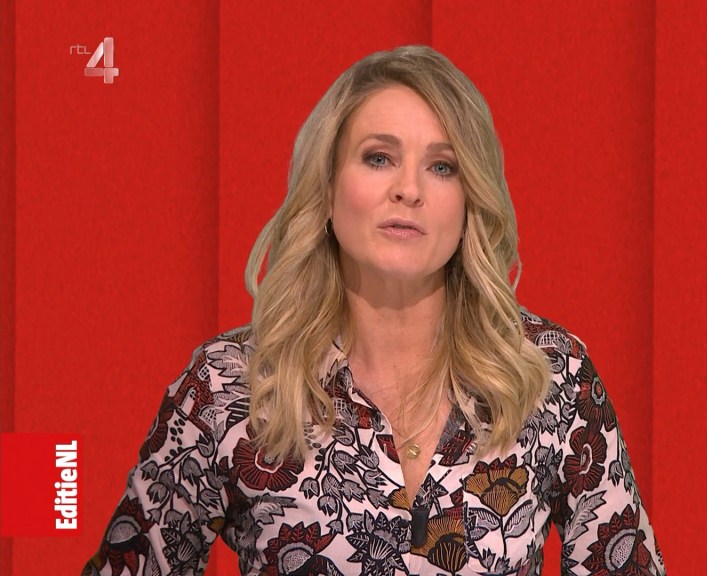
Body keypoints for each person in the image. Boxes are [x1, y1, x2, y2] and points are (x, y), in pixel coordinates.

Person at [84, 45, 665, 576]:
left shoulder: (550, 373)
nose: (409, 189)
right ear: (327, 189)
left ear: (470, 203)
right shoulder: (229, 385)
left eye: (442, 166)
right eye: (379, 157)